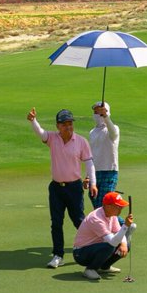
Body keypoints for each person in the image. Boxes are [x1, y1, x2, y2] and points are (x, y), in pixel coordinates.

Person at [28, 107, 97, 268]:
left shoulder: (81, 141)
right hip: (56, 188)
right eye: (65, 124)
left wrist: (93, 183)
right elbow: (41, 133)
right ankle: (58, 255)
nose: (69, 127)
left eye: (70, 123)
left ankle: (92, 247)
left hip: (74, 187)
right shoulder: (52, 138)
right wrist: (33, 121)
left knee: (79, 220)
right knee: (56, 222)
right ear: (58, 126)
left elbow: (89, 164)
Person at [72, 191, 136, 281]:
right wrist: (125, 226)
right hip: (81, 254)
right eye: (118, 207)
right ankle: (90, 269)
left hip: (96, 247)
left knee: (125, 245)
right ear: (108, 206)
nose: (121, 209)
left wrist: (124, 244)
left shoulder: (112, 215)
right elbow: (113, 242)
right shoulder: (96, 218)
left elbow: (118, 232)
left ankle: (104, 267)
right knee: (110, 246)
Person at [87, 100, 120, 210]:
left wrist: (105, 116)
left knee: (104, 206)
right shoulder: (92, 132)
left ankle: (123, 225)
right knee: (94, 199)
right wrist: (88, 176)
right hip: (95, 173)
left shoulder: (113, 129)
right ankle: (120, 225)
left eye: (99, 112)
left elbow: (114, 134)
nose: (97, 115)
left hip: (109, 171)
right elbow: (91, 155)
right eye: (95, 112)